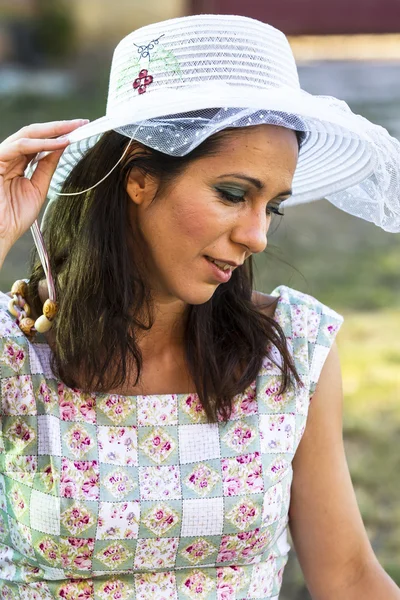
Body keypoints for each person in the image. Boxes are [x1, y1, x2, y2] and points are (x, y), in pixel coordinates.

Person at [0, 13, 399, 600]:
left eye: (273, 206)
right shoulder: (19, 352)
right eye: (233, 194)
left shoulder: (290, 346)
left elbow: (346, 576)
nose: (258, 236)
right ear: (139, 178)